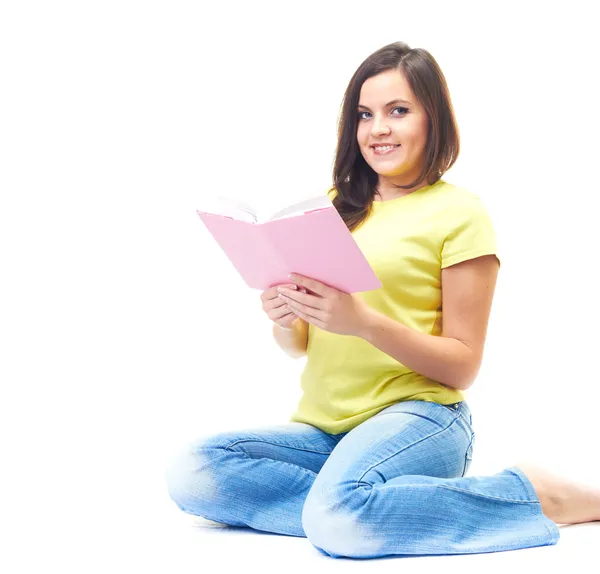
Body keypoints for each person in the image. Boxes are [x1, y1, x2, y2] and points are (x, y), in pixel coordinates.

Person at [165, 41, 600, 559]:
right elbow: (297, 345)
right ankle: (354, 503)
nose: (378, 129)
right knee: (193, 472)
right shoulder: (331, 208)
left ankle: (531, 495)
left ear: (432, 118)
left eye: (398, 111)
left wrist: (364, 322)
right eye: (365, 115)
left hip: (420, 419)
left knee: (339, 517)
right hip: (327, 430)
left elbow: (462, 366)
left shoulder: (460, 214)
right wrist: (284, 318)